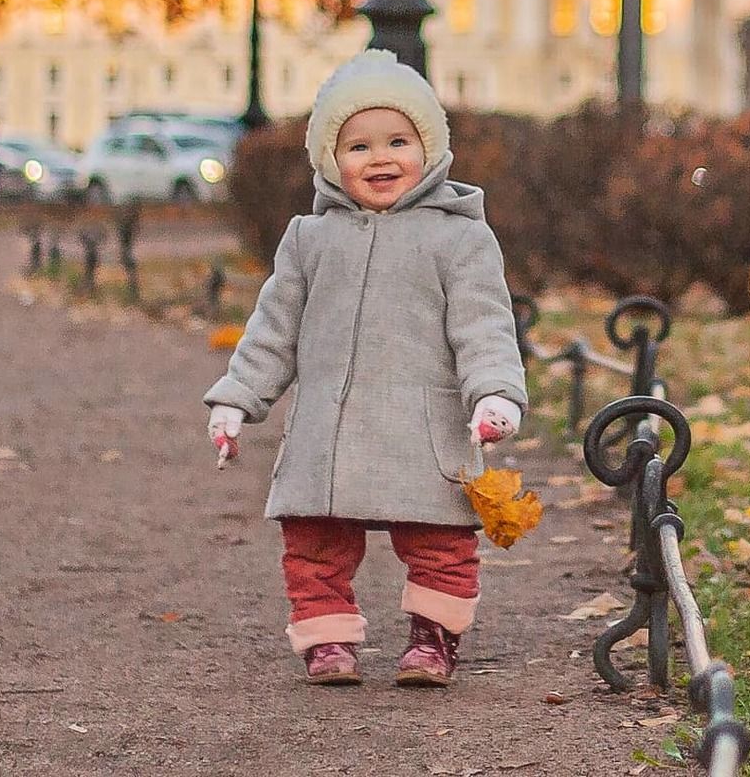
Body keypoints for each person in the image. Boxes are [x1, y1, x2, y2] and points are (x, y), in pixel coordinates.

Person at [203, 49, 527, 687]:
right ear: (329, 160)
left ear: (429, 151)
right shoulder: (309, 240)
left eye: (398, 141)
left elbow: (485, 325)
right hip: (331, 428)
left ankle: (434, 639)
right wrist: (237, 399)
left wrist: (494, 394)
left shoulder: (458, 239)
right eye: (357, 146)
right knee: (314, 541)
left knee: (440, 541)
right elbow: (274, 330)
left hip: (424, 423)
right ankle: (327, 640)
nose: (380, 158)